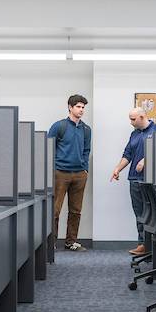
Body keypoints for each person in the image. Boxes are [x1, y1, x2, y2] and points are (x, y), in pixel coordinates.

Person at [109, 107, 156, 256]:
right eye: (130, 119)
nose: (131, 122)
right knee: (139, 213)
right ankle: (143, 244)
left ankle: (154, 246)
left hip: (151, 181)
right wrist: (118, 169)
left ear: (142, 117)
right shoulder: (134, 134)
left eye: (133, 119)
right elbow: (128, 154)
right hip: (134, 179)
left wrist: (146, 159)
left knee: (153, 213)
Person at [46, 94, 91, 252]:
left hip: (80, 174)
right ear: (70, 108)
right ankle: (50, 242)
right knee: (55, 210)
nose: (81, 110)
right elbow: (48, 148)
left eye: (83, 107)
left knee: (76, 210)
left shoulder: (86, 129)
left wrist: (85, 168)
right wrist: (51, 169)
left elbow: (86, 150)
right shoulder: (59, 126)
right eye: (78, 107)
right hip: (60, 173)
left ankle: (71, 242)